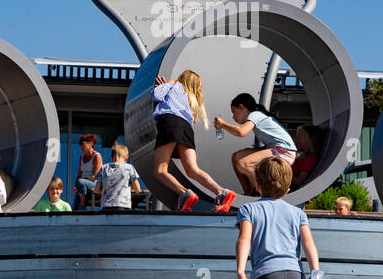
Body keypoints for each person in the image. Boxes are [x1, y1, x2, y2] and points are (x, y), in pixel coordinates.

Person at [151, 70, 235, 212]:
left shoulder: (173, 83)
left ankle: (184, 194)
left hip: (170, 122)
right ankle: (221, 192)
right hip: (186, 128)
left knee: (159, 170)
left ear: (182, 78)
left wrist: (163, 85)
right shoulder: (191, 98)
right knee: (192, 169)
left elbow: (156, 95)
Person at [215, 93, 297, 196]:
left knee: (243, 164)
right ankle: (250, 192)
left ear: (241, 107)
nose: (233, 117)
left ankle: (267, 192)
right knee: (237, 157)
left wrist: (223, 124)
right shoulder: (257, 115)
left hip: (284, 151)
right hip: (276, 148)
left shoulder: (255, 114)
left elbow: (241, 132)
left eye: (234, 112)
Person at [92, 142, 143, 213]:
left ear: (111, 157)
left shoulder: (104, 168)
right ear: (126, 157)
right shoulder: (129, 168)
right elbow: (137, 189)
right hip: (123, 205)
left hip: (106, 206)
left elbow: (96, 190)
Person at [73, 134, 102, 210]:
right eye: (80, 144)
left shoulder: (96, 156)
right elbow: (79, 173)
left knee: (81, 182)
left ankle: (82, 205)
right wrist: (75, 186)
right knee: (74, 207)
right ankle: (76, 210)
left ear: (90, 144)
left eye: (82, 144)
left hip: (94, 183)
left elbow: (96, 176)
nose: (81, 147)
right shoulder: (81, 158)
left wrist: (82, 182)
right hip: (82, 184)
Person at [290, 125, 324, 190]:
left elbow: (298, 181)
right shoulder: (302, 156)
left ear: (308, 140)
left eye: (298, 136)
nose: (295, 139)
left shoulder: (310, 159)